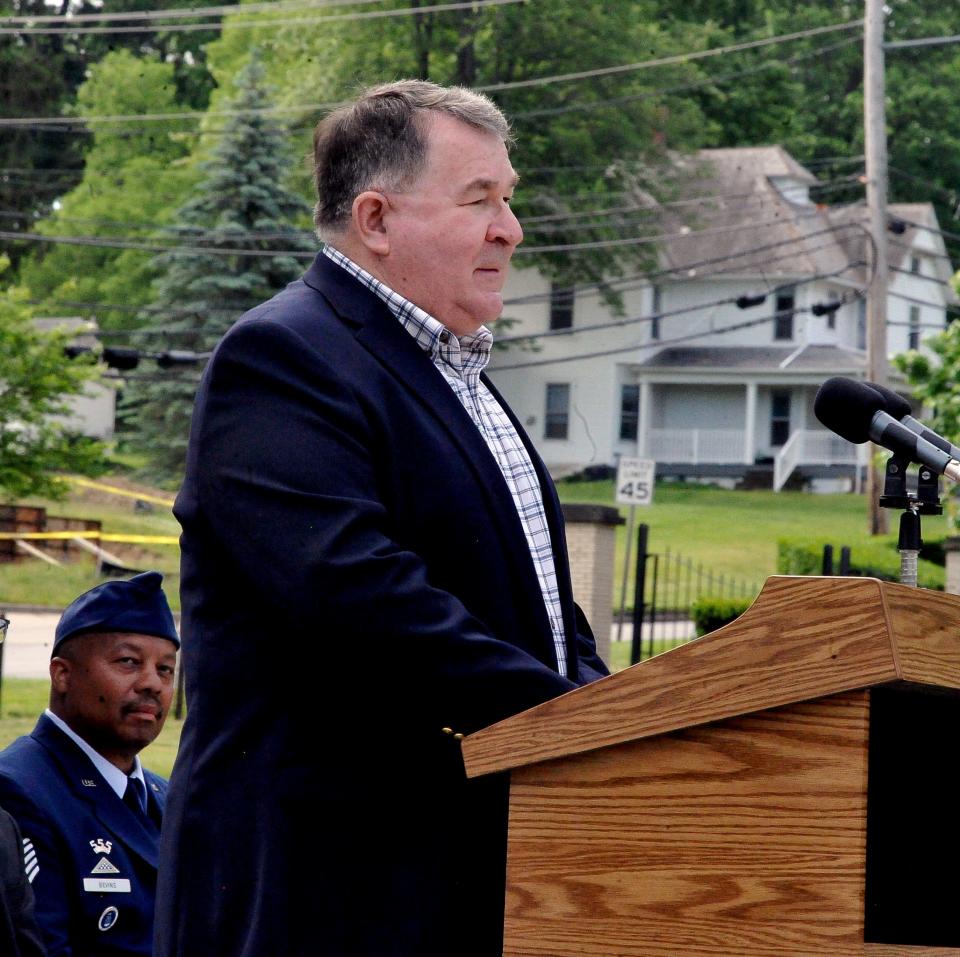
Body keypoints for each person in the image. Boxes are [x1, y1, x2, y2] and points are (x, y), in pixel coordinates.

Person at [155, 79, 609, 957]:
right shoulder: (283, 357)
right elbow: (362, 598)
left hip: (458, 872)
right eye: (480, 200)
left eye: (508, 200)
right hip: (320, 892)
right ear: (376, 219)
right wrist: (579, 724)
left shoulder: (456, 374)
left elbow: (543, 608)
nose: (510, 229)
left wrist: (611, 708)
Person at [0, 572, 179, 957]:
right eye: (129, 662)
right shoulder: (18, 791)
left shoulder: (165, 798)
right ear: (62, 674)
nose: (152, 683)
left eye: (165, 669)